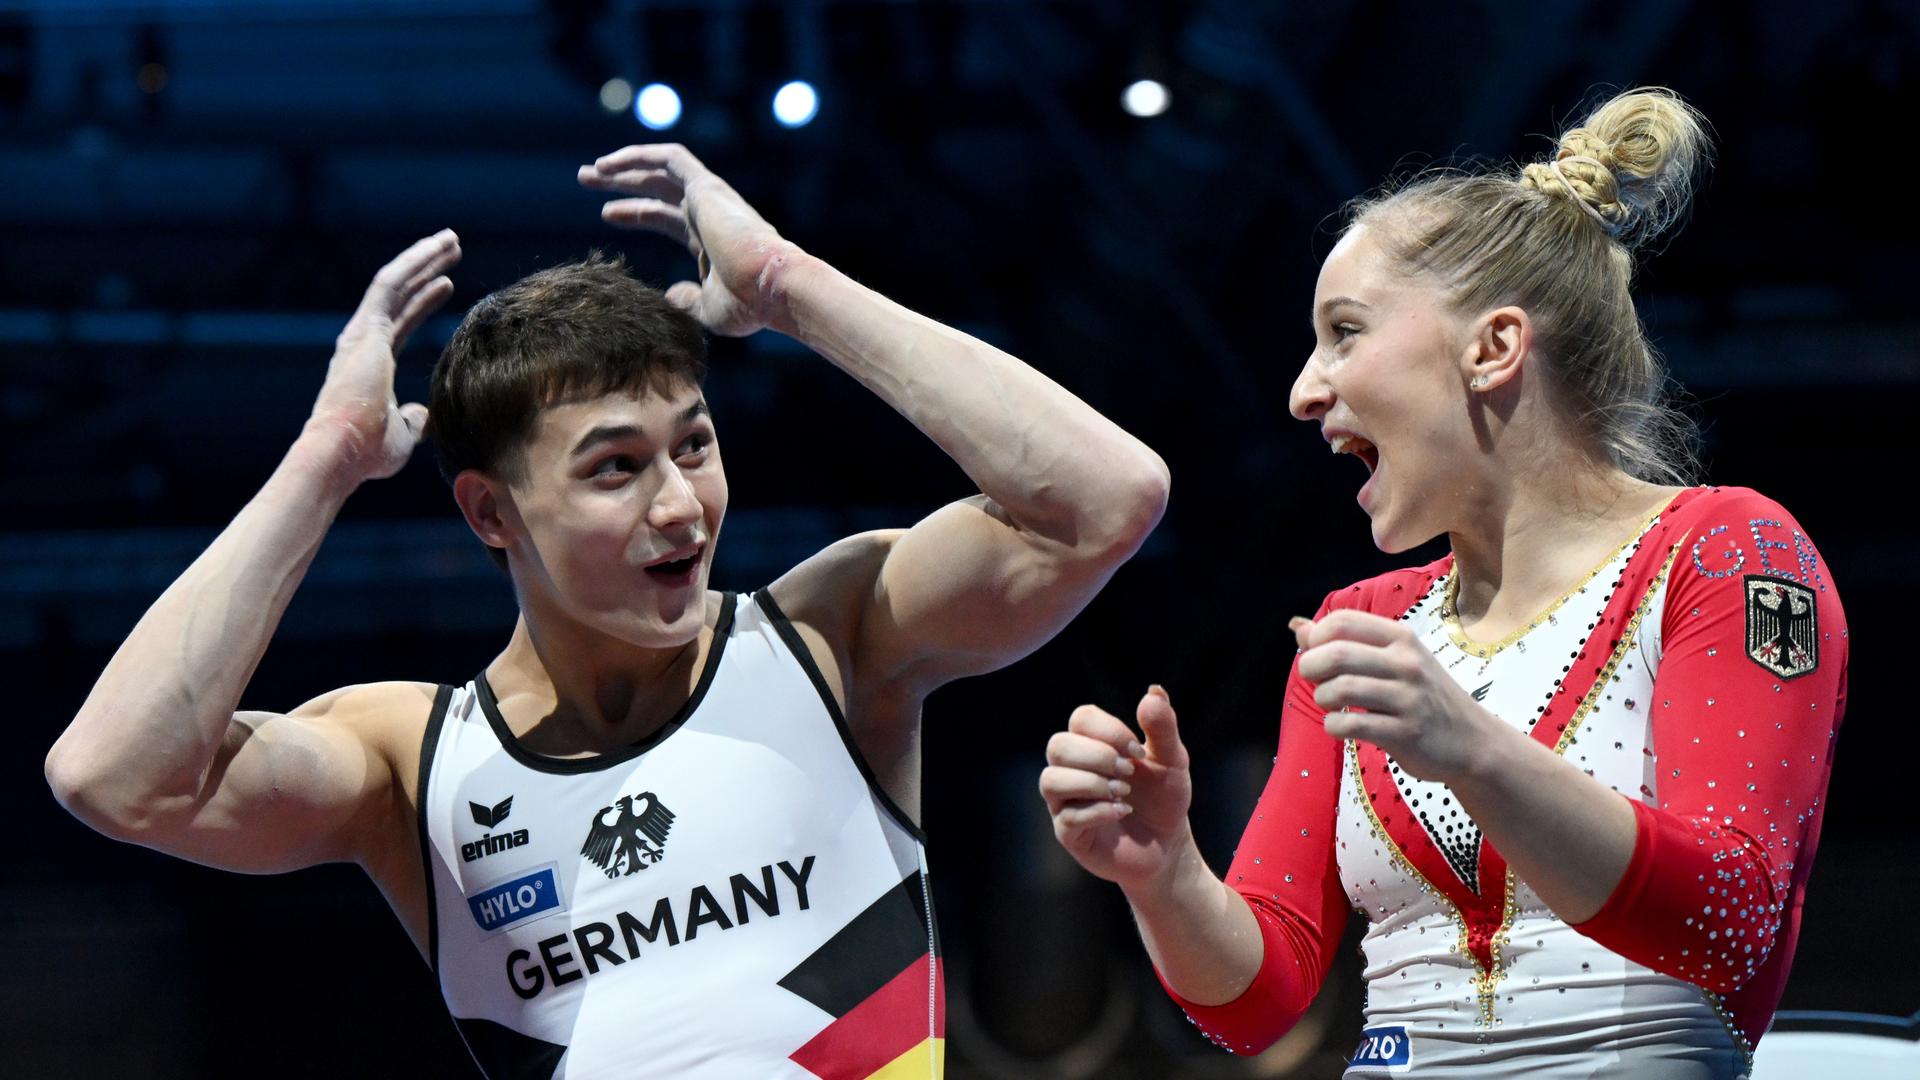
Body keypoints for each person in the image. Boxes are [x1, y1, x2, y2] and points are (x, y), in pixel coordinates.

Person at [45, 144, 1169, 1078]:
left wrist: (785, 284)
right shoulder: (411, 761)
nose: (681, 505)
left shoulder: (830, 638)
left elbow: (1106, 500)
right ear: (490, 513)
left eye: (695, 444)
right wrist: (323, 464)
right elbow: (115, 777)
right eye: (615, 468)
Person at [1039, 88, 1844, 1078]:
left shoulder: (1728, 553)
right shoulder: (1365, 624)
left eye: (1345, 331)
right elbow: (1257, 1004)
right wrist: (1163, 874)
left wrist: (1470, 747)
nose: (1304, 390)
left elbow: (1727, 917)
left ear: (1494, 348)